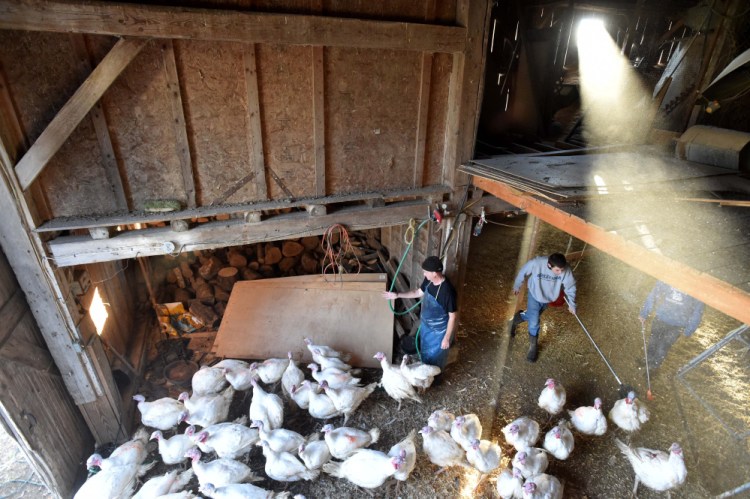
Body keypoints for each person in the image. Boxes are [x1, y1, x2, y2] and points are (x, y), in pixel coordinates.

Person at [382, 256, 457, 369]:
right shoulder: (429, 280)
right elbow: (417, 292)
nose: (424, 274)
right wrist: (397, 295)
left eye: (425, 272)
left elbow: (453, 316)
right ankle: (425, 378)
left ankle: (436, 381)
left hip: (439, 333)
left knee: (436, 357)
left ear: (434, 273)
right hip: (427, 327)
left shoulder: (447, 292)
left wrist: (446, 338)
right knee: (425, 353)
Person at [510, 252, 577, 362]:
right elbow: (523, 271)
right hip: (535, 294)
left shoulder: (565, 270)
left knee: (531, 316)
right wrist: (517, 285)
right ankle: (533, 347)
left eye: (562, 270)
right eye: (557, 270)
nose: (560, 273)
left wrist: (572, 304)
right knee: (534, 321)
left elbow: (570, 286)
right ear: (549, 265)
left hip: (548, 297)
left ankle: (515, 320)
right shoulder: (537, 263)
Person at [639, 281, 704, 370]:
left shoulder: (697, 287)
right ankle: (647, 360)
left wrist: (689, 329)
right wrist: (644, 313)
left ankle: (654, 367)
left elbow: (698, 311)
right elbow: (654, 293)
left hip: (678, 325)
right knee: (653, 341)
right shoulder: (670, 277)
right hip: (661, 317)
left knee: (663, 347)